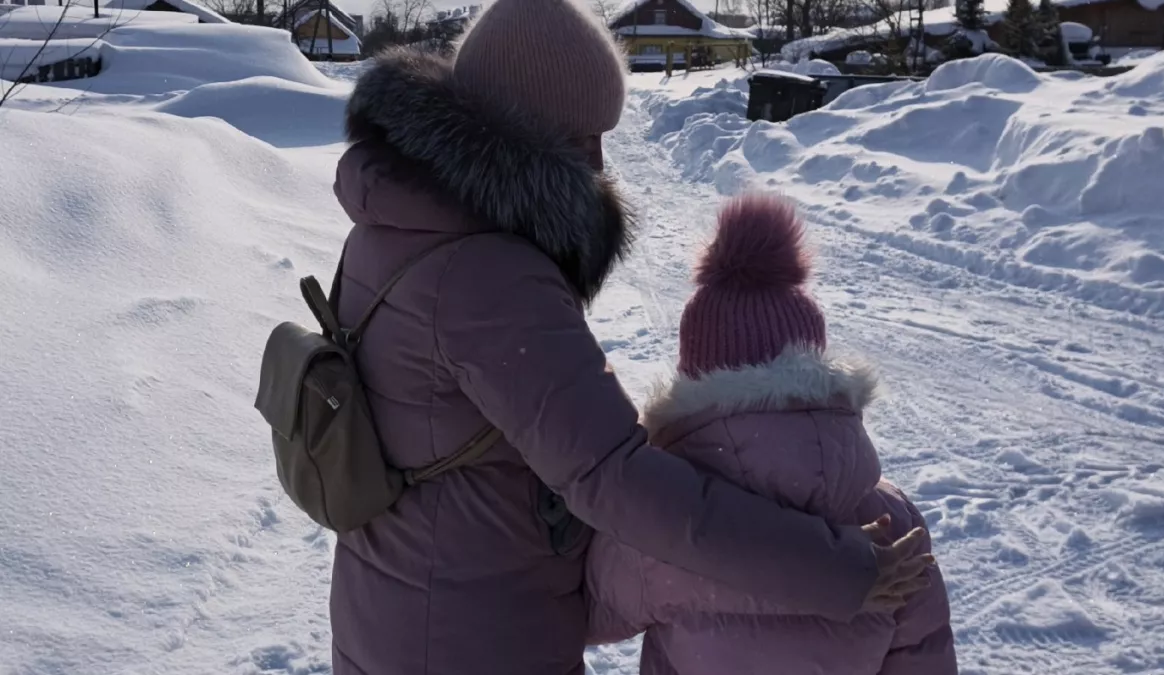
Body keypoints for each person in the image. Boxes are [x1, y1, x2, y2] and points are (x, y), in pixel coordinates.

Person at [329, 0, 934, 671]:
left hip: (395, 605)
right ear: (514, 126)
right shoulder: (489, 275)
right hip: (471, 637)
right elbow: (615, 477)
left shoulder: (398, 222)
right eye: (579, 136)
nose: (597, 162)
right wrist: (836, 569)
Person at [586, 193, 956, 674]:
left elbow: (584, 613)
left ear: (695, 376)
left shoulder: (659, 522)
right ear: (816, 366)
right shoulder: (892, 520)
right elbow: (924, 655)